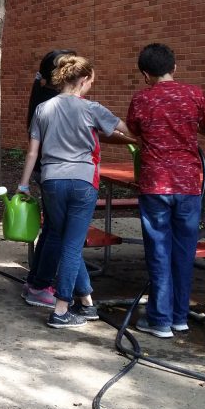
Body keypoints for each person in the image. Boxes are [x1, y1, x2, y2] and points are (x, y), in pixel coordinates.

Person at [18, 55, 136, 328]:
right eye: (90, 82)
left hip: (51, 182)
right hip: (82, 182)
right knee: (72, 246)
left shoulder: (42, 109)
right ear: (82, 80)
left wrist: (23, 185)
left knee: (64, 240)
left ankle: (86, 303)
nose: (90, 87)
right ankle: (61, 310)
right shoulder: (92, 109)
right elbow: (128, 130)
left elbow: (33, 151)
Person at [126, 43, 205, 338]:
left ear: (145, 74)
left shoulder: (142, 99)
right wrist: (192, 128)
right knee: (183, 251)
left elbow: (132, 133)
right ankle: (179, 317)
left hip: (155, 184)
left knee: (158, 251)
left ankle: (159, 319)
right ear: (174, 67)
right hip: (189, 186)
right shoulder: (195, 94)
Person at [22, 49, 75, 308]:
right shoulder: (56, 102)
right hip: (57, 173)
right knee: (56, 231)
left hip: (47, 171)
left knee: (52, 228)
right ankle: (41, 285)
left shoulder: (43, 98)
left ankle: (35, 281)